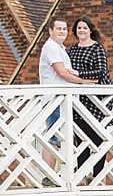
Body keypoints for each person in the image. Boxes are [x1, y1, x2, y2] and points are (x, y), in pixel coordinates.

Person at [37, 17, 86, 182]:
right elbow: (62, 73)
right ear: (50, 31)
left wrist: (74, 75)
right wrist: (84, 82)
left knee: (60, 137)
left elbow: (67, 72)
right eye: (58, 28)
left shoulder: (60, 49)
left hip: (62, 100)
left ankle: (53, 176)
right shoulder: (51, 47)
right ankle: (47, 176)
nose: (62, 31)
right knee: (54, 138)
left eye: (64, 29)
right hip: (54, 99)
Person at [68, 16, 113, 181]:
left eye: (84, 28)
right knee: (80, 135)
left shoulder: (97, 48)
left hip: (98, 99)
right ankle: (82, 173)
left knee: (97, 136)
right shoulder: (73, 49)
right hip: (80, 97)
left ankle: (97, 175)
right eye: (79, 28)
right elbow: (68, 70)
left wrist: (79, 74)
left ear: (91, 30)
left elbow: (101, 72)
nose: (81, 31)